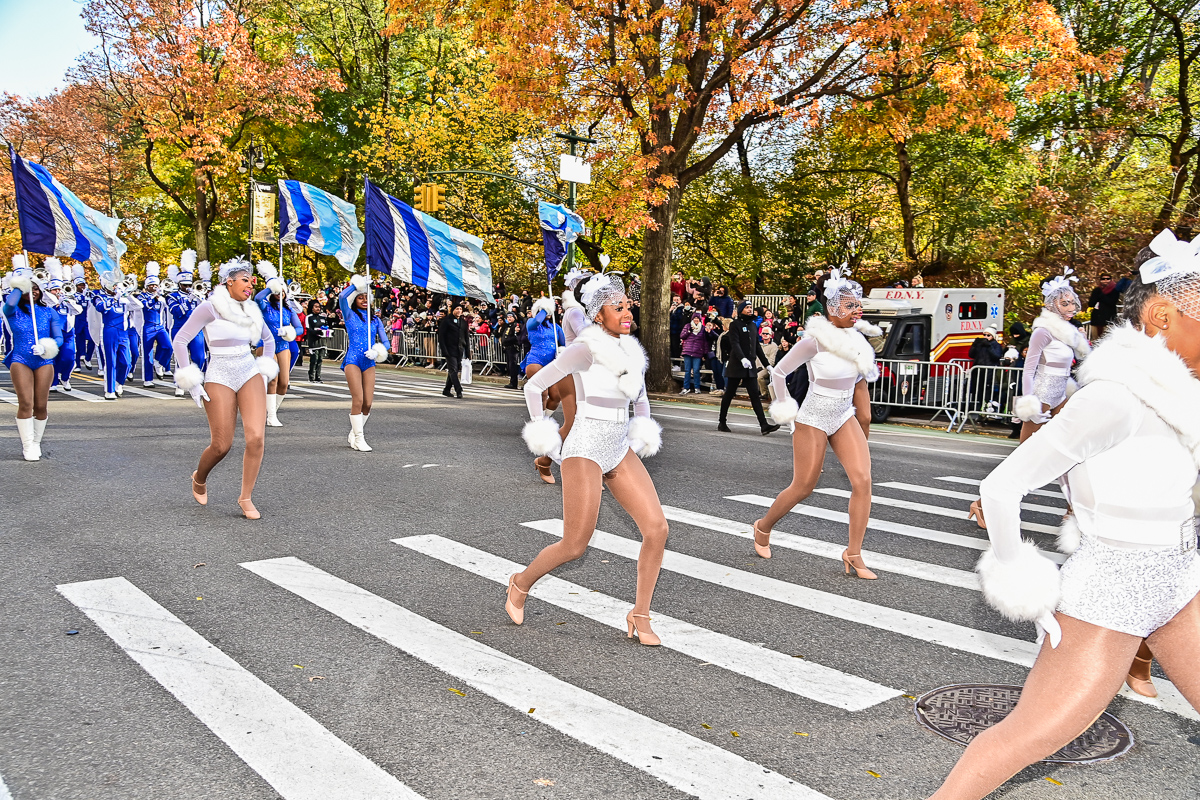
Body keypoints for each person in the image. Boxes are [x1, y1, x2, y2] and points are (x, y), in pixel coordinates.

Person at [929, 229, 1200, 799]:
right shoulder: (1114, 397)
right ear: (1162, 315)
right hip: (1110, 594)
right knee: (1024, 739)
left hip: (1182, 582)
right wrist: (1023, 583)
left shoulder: (1182, 400)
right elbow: (1002, 487)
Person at [507, 272, 669, 645]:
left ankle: (640, 614)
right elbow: (534, 387)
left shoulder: (632, 351)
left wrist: (640, 432)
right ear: (598, 315)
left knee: (657, 529)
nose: (627, 312)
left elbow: (640, 399)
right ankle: (521, 582)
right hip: (584, 449)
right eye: (617, 307)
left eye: (627, 305)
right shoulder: (585, 348)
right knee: (575, 545)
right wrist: (545, 438)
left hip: (618, 448)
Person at [753, 269, 880, 578]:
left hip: (843, 415)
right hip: (813, 418)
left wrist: (864, 420)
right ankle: (763, 527)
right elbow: (779, 373)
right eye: (850, 305)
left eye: (857, 304)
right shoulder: (815, 341)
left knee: (863, 481)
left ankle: (853, 553)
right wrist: (787, 411)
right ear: (833, 309)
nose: (857, 310)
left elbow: (860, 382)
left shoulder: (858, 340)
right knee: (803, 486)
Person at [171, 258, 279, 519]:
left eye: (252, 281)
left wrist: (265, 368)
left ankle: (246, 497)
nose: (250, 285)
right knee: (221, 445)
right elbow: (180, 340)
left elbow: (268, 339)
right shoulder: (210, 306)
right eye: (245, 280)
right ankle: (199, 477)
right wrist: (191, 380)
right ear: (229, 282)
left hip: (248, 371)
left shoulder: (251, 309)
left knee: (256, 438)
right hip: (219, 373)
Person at [1014, 267, 1092, 442]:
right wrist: (1030, 403)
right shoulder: (1042, 331)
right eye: (1064, 303)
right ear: (1051, 305)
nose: (1071, 307)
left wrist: (1081, 340)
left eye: (1072, 302)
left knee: (1062, 444)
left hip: (1062, 392)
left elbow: (1083, 358)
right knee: (1027, 447)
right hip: (1043, 393)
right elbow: (1028, 370)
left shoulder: (1068, 333)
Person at [4, 256, 64, 461]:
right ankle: (27, 444)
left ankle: (37, 441)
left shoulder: (49, 312)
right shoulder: (12, 311)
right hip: (20, 359)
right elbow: (10, 302)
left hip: (44, 360)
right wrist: (21, 282)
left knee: (41, 405)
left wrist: (47, 347)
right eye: (29, 288)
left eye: (36, 288)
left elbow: (59, 338)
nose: (33, 291)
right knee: (26, 403)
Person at [339, 276, 390, 451]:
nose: (363, 300)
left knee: (367, 403)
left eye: (366, 297)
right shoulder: (349, 314)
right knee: (358, 399)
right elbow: (342, 296)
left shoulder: (375, 320)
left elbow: (386, 342)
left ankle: (354, 432)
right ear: (355, 300)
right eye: (360, 297)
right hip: (353, 360)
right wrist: (357, 285)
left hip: (369, 361)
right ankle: (359, 438)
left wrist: (377, 351)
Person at [717, 300, 781, 435]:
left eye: (751, 307)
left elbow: (757, 347)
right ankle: (722, 421)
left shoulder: (752, 325)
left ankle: (764, 425)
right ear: (741, 310)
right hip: (737, 365)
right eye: (747, 307)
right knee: (729, 394)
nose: (750, 309)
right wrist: (742, 358)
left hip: (749, 366)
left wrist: (767, 365)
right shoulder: (735, 324)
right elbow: (735, 343)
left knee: (754, 396)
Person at [520, 297, 566, 482]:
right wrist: (545, 308)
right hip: (536, 360)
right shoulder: (532, 323)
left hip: (552, 363)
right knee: (543, 392)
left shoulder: (556, 327)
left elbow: (564, 345)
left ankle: (545, 420)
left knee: (556, 395)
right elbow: (538, 319)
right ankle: (539, 426)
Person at [254, 262, 301, 428]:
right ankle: (271, 417)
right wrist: (271, 286)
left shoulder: (288, 310)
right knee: (272, 379)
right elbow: (257, 298)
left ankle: (271, 410)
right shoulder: (265, 306)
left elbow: (299, 328)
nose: (279, 293)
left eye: (282, 290)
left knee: (284, 382)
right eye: (276, 290)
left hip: (282, 345)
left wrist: (289, 331)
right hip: (266, 344)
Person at [89, 272, 135, 400]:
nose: (115, 287)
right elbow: (100, 307)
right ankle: (109, 390)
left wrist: (127, 294)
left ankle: (119, 382)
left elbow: (138, 306)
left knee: (127, 363)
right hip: (109, 330)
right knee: (111, 362)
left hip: (123, 332)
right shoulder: (98, 295)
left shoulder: (123, 296)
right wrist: (115, 299)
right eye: (112, 284)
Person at [166, 251, 206, 398]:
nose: (188, 287)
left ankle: (195, 381)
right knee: (181, 358)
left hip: (196, 329)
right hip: (180, 328)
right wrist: (188, 301)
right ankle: (180, 384)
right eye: (185, 285)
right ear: (179, 284)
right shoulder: (172, 296)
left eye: (189, 284)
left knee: (199, 357)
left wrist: (201, 299)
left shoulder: (197, 295)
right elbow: (177, 312)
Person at [46, 260, 83, 394]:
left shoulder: (69, 299)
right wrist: (56, 303)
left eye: (59, 289)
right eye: (55, 290)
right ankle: (53, 381)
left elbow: (78, 311)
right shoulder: (46, 301)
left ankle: (65, 377)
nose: (58, 292)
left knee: (68, 357)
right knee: (53, 358)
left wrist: (67, 302)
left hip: (68, 332)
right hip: (53, 332)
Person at [135, 262, 173, 387]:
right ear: (147, 286)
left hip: (159, 326)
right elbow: (145, 306)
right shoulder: (142, 296)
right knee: (147, 354)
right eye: (151, 285)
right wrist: (155, 298)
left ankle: (159, 362)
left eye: (156, 285)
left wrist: (165, 295)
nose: (154, 287)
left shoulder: (160, 296)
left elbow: (167, 308)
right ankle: (147, 380)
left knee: (168, 346)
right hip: (147, 326)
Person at [1086, 270, 1132, 338]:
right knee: (1095, 339)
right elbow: (1091, 303)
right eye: (1103, 279)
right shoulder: (1097, 290)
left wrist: (1101, 296)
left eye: (1108, 279)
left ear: (1111, 280)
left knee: (1108, 339)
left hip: (1109, 319)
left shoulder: (1115, 290)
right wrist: (1098, 296)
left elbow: (1111, 302)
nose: (1105, 280)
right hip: (1097, 319)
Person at [438, 304, 469, 399]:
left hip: (459, 349)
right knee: (453, 370)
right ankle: (458, 389)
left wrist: (467, 351)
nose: (459, 311)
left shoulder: (463, 322)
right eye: (457, 309)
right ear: (453, 310)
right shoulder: (446, 321)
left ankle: (447, 389)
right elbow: (441, 337)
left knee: (454, 370)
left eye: (460, 309)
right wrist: (444, 350)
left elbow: (466, 337)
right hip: (449, 349)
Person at [679, 311, 708, 394]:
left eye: (697, 318)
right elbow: (682, 336)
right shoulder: (688, 326)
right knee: (687, 370)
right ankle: (686, 387)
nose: (696, 320)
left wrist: (705, 353)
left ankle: (697, 387)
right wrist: (689, 331)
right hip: (687, 351)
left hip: (698, 351)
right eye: (694, 318)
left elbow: (705, 341)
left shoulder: (703, 328)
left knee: (696, 370)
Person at [304, 299, 332, 383]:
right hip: (314, 342)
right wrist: (316, 332)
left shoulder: (323, 317)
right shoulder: (309, 317)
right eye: (316, 307)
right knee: (314, 359)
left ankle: (318, 376)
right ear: (311, 308)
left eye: (319, 307)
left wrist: (329, 332)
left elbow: (327, 327)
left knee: (320, 359)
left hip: (322, 341)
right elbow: (308, 329)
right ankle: (311, 376)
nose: (318, 308)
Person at [499, 311, 522, 389]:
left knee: (513, 366)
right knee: (509, 366)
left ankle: (514, 383)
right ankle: (512, 381)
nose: (509, 318)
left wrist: (509, 339)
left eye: (511, 317)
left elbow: (516, 337)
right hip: (507, 348)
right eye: (508, 317)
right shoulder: (507, 326)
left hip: (513, 347)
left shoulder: (516, 325)